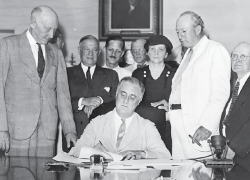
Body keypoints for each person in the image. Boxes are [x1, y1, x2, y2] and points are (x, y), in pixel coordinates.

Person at [0, 5, 77, 157]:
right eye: (48, 29)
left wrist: (69, 129)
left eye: (54, 29)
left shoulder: (56, 53)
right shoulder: (8, 45)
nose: (52, 35)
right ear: (33, 22)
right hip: (16, 131)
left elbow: (63, 96)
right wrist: (2, 128)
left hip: (47, 132)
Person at [169, 11, 231, 159]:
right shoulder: (188, 54)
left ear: (197, 30)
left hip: (198, 128)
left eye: (184, 31)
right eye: (177, 32)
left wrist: (207, 125)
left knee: (200, 172)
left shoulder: (215, 50)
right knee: (180, 173)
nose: (179, 36)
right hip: (178, 128)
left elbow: (220, 93)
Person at [69, 77, 171, 160]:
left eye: (132, 97)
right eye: (123, 94)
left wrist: (142, 154)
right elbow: (74, 151)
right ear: (116, 95)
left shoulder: (147, 127)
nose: (126, 101)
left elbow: (165, 156)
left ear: (139, 101)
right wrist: (92, 152)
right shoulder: (97, 122)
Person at [66, 35, 119, 141]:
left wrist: (99, 100)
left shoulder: (111, 74)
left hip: (102, 136)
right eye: (86, 49)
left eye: (94, 50)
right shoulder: (67, 74)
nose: (90, 54)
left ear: (99, 52)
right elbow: (61, 102)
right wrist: (83, 101)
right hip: (75, 134)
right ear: (79, 50)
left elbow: (116, 98)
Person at [132, 35, 175, 153]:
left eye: (161, 49)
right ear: (147, 52)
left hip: (167, 129)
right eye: (152, 49)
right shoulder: (138, 74)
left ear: (166, 54)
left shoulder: (174, 75)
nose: (156, 53)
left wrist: (170, 106)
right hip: (143, 128)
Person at [220, 42, 250, 171]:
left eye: (243, 56)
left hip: (244, 160)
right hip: (234, 160)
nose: (238, 60)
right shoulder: (237, 86)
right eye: (234, 56)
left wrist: (234, 148)